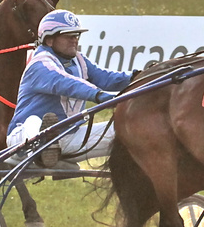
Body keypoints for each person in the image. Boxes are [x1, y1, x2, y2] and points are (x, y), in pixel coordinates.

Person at [8, 10, 132, 167]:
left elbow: (107, 78)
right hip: (21, 138)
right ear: (50, 40)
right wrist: (99, 95)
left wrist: (138, 76)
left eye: (76, 35)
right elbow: (65, 83)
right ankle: (41, 150)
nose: (75, 40)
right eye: (69, 36)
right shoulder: (39, 64)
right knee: (34, 122)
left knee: (125, 129)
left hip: (66, 138)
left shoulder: (79, 60)